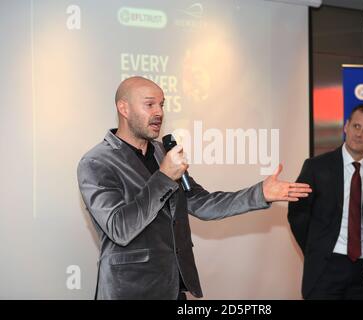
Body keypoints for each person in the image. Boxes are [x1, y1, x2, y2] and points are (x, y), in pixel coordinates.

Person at [77, 76, 312, 300]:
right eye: (149, 105)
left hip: (174, 288)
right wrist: (164, 177)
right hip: (129, 290)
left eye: (161, 104)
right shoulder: (97, 162)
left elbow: (202, 203)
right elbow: (120, 228)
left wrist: (259, 193)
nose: (159, 112)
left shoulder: (162, 153)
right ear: (124, 109)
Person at [288, 104, 363, 300]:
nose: (359, 134)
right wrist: (315, 249)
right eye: (356, 126)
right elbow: (298, 214)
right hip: (325, 266)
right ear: (346, 126)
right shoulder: (316, 167)